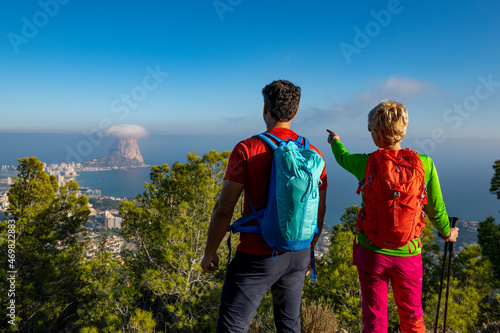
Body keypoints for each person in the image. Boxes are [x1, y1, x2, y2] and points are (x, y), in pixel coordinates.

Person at [201, 79, 328, 332]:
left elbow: (224, 209)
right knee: (289, 324)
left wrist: (210, 252)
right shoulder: (313, 154)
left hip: (257, 256)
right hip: (297, 254)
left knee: (233, 326)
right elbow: (318, 212)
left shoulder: (247, 149)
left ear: (265, 108)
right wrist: (306, 249)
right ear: (296, 111)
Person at [326, 100, 459, 332]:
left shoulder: (366, 163)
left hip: (372, 253)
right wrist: (448, 233)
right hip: (409, 255)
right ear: (403, 130)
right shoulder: (424, 164)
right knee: (412, 315)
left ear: (376, 134)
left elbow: (342, 157)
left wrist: (335, 141)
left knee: (375, 319)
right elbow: (435, 209)